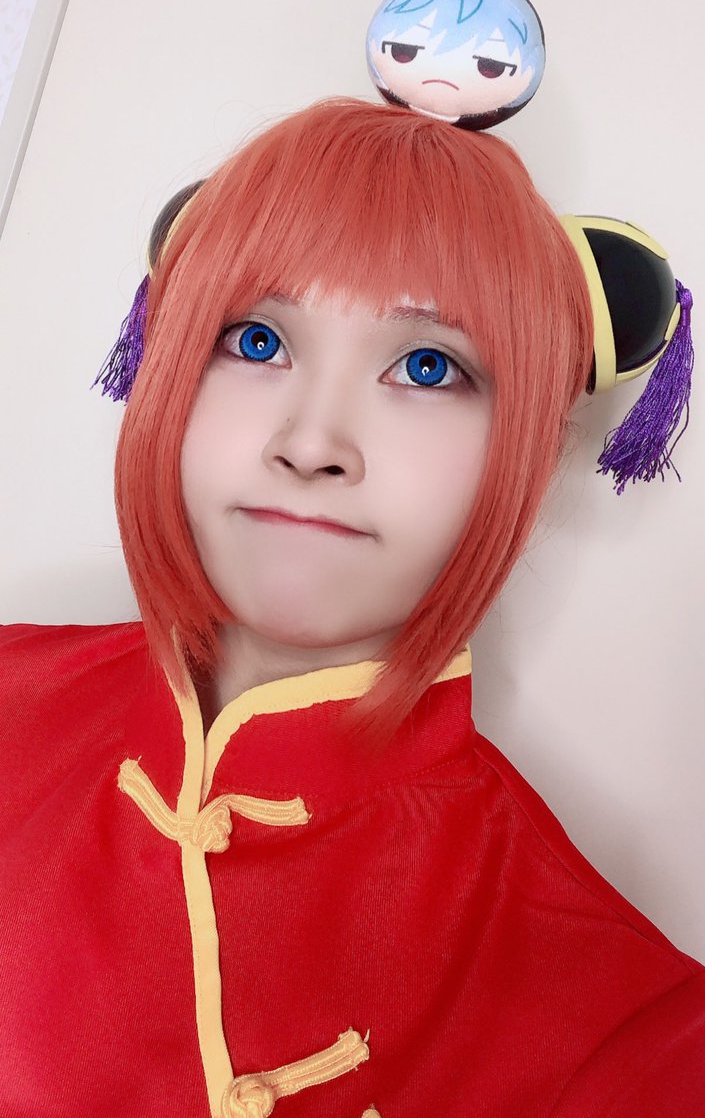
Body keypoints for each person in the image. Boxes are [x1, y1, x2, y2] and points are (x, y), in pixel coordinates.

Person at [1, 97, 703, 1118]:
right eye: (254, 340)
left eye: (428, 366)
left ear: (538, 443)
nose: (311, 442)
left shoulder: (621, 1028)